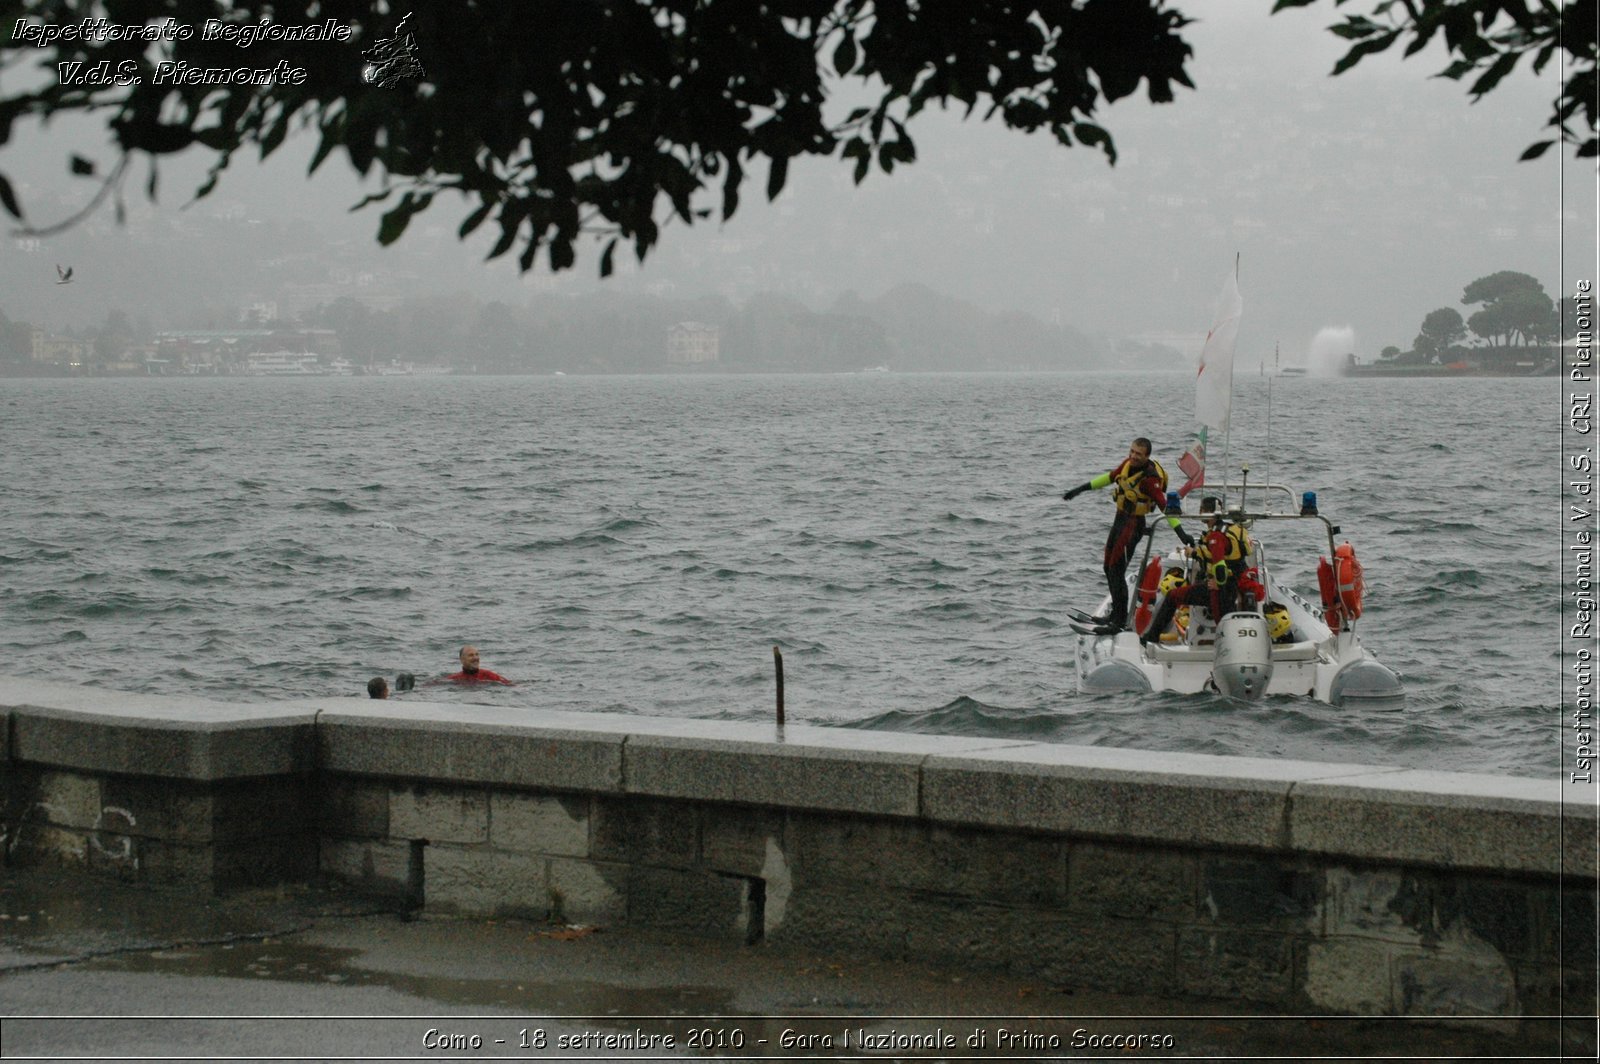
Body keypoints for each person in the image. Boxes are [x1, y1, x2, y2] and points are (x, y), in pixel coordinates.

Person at [1062, 437, 1192, 630]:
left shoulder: (1149, 479)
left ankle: (1120, 620)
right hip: (1120, 519)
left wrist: (1182, 533)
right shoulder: (1127, 464)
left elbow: (1165, 506)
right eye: (1131, 451)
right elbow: (1109, 477)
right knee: (1108, 567)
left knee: (1116, 569)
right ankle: (1115, 614)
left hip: (1133, 525)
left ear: (1147, 456)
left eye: (1138, 454)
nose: (1133, 456)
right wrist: (1080, 489)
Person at [1140, 497, 1257, 644]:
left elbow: (1219, 563)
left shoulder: (1216, 537)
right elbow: (1225, 558)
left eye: (1201, 509)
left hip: (1221, 587)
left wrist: (1220, 584)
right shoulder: (1229, 530)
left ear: (1206, 512)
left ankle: (1151, 638)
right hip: (1235, 582)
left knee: (1176, 598)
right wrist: (1194, 552)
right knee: (1178, 596)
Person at [445, 644, 514, 685]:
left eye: (477, 654)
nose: (475, 658)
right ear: (462, 659)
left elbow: (509, 684)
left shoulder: (489, 676)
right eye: (471, 655)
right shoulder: (454, 678)